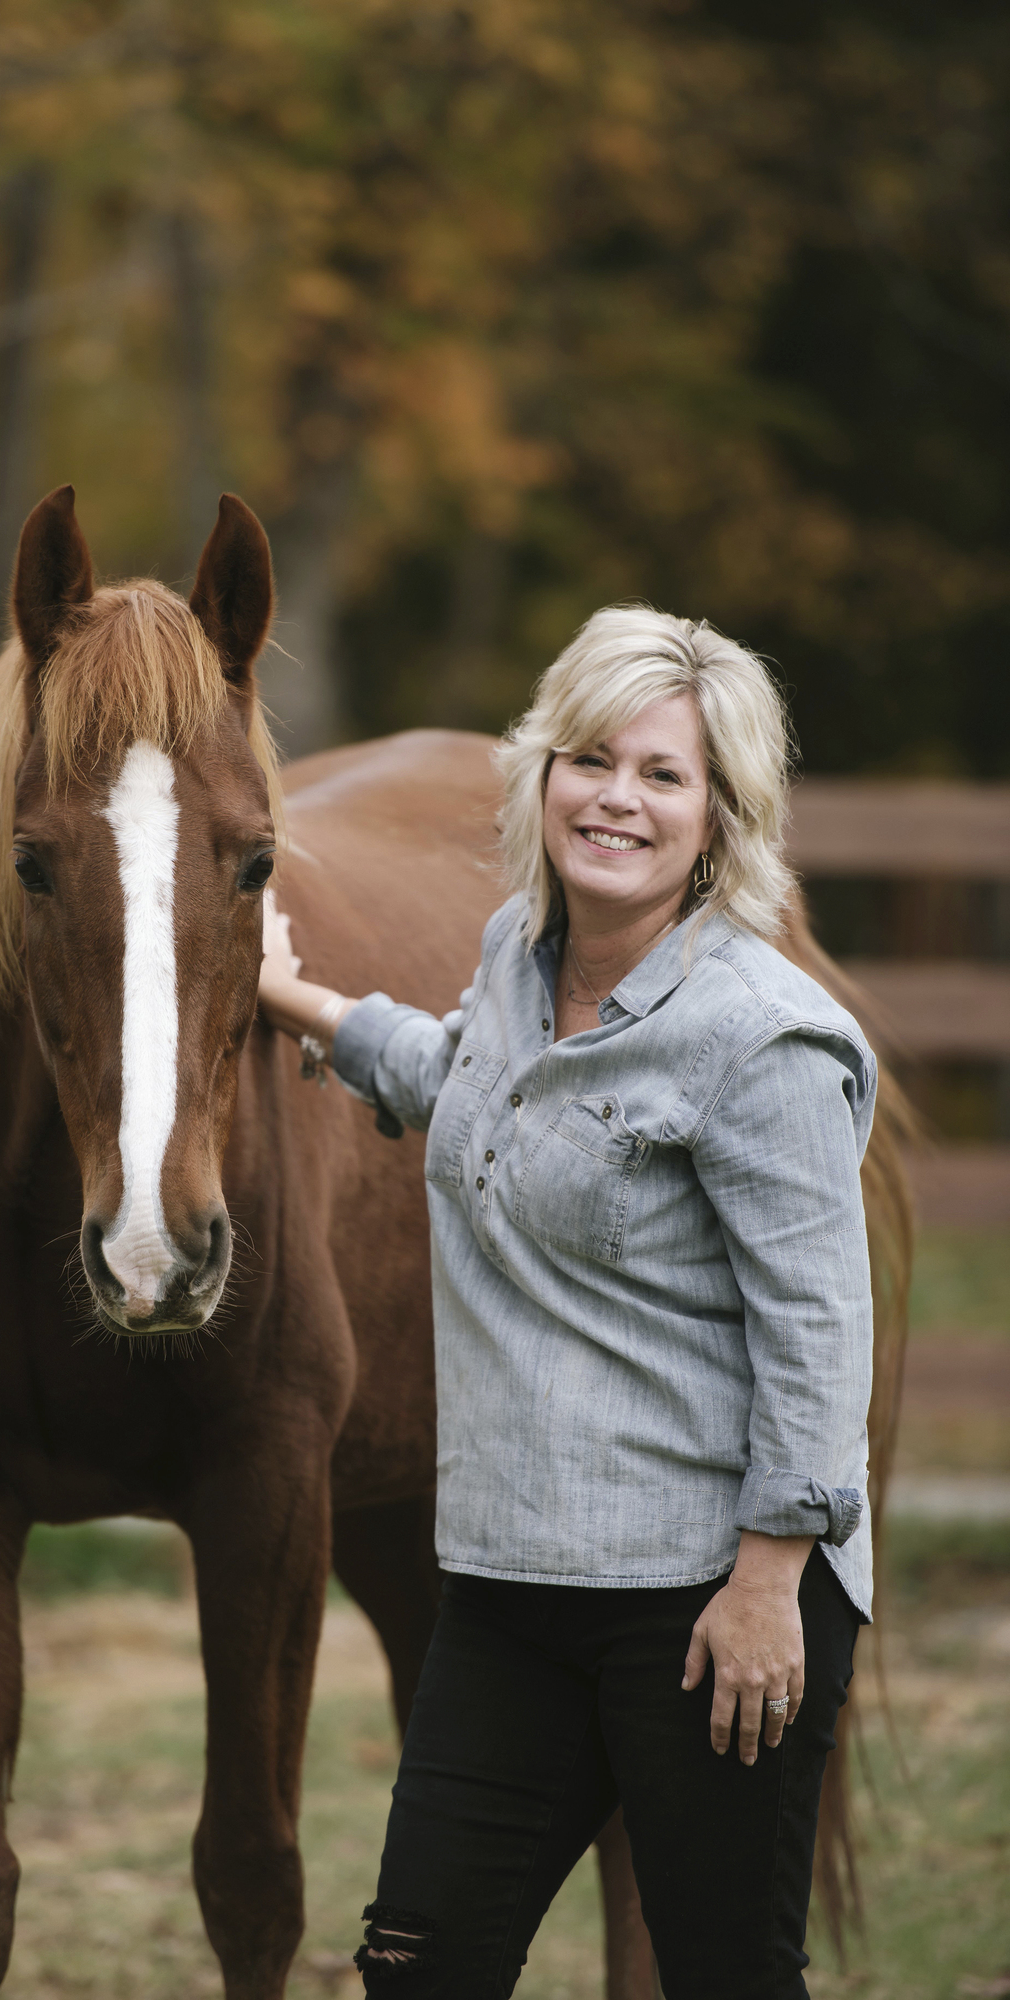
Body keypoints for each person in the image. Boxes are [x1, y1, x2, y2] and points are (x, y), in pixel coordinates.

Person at [257, 605, 875, 1999]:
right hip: (512, 1581)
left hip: (707, 1601)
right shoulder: (515, 966)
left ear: (722, 817)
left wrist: (774, 1582)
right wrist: (295, 998)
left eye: (665, 775)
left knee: (723, 1972)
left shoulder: (760, 1038)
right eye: (591, 759)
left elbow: (822, 1335)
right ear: (542, 774)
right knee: (419, 1963)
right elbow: (464, 1079)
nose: (617, 799)